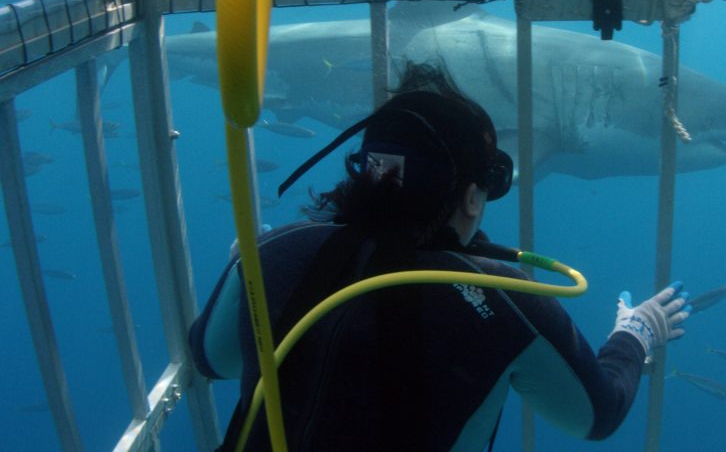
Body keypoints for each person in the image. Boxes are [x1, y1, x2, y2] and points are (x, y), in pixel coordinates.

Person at [189, 62, 690, 451]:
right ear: (474, 196)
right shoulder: (507, 300)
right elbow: (594, 417)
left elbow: (209, 359)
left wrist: (249, 268)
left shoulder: (275, 251)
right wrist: (635, 335)